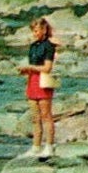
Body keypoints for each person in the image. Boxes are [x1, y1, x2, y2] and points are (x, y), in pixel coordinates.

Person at [17, 15, 58, 159]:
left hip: (43, 82)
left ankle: (50, 146)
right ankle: (36, 146)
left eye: (36, 30)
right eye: (33, 31)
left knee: (46, 116)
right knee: (35, 117)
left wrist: (30, 67)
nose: (35, 33)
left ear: (44, 29)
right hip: (32, 80)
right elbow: (34, 67)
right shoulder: (33, 46)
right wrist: (25, 70)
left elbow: (47, 68)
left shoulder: (49, 47)